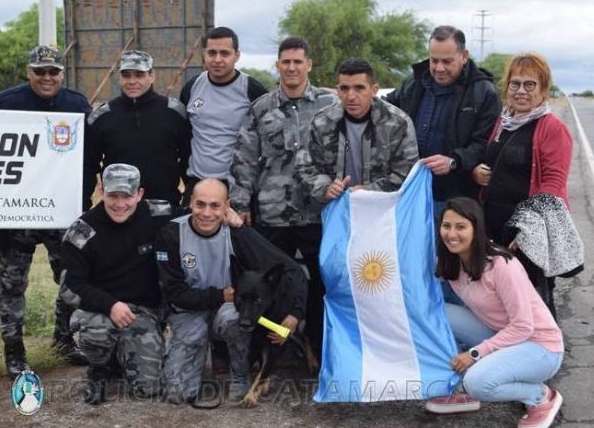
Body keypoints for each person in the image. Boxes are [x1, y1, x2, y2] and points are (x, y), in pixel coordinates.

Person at [0, 45, 92, 377]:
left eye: (53, 71)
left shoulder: (76, 104)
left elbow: (91, 153)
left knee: (73, 279)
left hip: (63, 213)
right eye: (39, 71)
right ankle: (14, 351)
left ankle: (64, 339)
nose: (47, 77)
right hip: (17, 215)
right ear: (28, 72)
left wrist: (85, 199)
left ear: (62, 73)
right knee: (12, 284)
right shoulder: (5, 103)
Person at [230, 37, 337, 361]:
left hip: (318, 213)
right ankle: (266, 354)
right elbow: (245, 158)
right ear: (277, 66)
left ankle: (318, 351)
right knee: (267, 285)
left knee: (323, 285)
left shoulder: (330, 105)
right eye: (285, 62)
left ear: (309, 65)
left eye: (297, 61)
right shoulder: (261, 108)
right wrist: (241, 202)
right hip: (273, 214)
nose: (291, 67)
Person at [155, 179, 307, 404]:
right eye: (200, 204)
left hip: (227, 311)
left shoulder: (237, 234)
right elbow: (175, 293)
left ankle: (240, 372)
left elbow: (292, 270)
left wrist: (295, 313)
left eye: (215, 206)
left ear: (227, 207)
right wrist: (220, 295)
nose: (207, 213)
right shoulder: (170, 234)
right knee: (177, 394)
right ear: (190, 203)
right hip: (188, 312)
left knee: (237, 317)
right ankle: (188, 354)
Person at [425, 197, 563, 428]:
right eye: (446, 226)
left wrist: (475, 354)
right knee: (437, 316)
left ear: (476, 228)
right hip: (503, 335)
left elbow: (523, 326)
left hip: (541, 347)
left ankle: (540, 397)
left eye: (461, 227)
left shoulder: (501, 265)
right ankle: (460, 388)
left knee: (479, 382)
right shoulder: (452, 261)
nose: (452, 234)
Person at [471, 53, 572, 318]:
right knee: (501, 298)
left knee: (533, 299)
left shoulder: (552, 128)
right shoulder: (502, 123)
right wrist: (477, 172)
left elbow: (553, 185)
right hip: (495, 226)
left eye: (530, 85)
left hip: (527, 234)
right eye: (515, 84)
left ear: (543, 90)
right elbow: (493, 160)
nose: (521, 91)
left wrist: (527, 232)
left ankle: (546, 349)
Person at [63, 164, 173, 404]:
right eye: (113, 195)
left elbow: (199, 216)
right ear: (102, 191)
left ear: (140, 194)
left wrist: (228, 214)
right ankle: (99, 369)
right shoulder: (83, 231)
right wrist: (110, 305)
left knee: (148, 389)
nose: (120, 204)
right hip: (101, 310)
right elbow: (73, 285)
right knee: (97, 330)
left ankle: (123, 356)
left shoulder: (159, 214)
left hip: (142, 313)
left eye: (127, 196)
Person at [386, 25, 500, 212]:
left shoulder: (484, 92)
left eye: (447, 61)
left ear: (464, 56)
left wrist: (453, 161)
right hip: (409, 192)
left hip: (455, 199)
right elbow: (388, 109)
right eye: (434, 60)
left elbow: (484, 144)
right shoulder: (414, 82)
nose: (439, 68)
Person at [297, 58, 419, 203]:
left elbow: (408, 174)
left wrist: (367, 191)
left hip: (383, 211)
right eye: (344, 88)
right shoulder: (321, 122)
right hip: (336, 210)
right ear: (337, 90)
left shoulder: (397, 123)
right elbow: (306, 167)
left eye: (359, 88)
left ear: (374, 90)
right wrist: (326, 188)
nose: (351, 96)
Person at [84, 50, 191, 209]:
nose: (132, 81)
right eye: (126, 75)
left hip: (164, 210)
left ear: (151, 76)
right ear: (119, 78)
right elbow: (88, 166)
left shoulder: (174, 113)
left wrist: (189, 199)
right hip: (119, 210)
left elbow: (188, 161)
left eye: (139, 75)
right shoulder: (102, 116)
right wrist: (83, 204)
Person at [180, 26, 267, 201]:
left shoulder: (252, 90)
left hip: (238, 188)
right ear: (204, 54)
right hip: (197, 183)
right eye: (212, 53)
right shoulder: (192, 86)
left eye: (224, 53)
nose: (217, 59)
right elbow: (183, 135)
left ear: (237, 55)